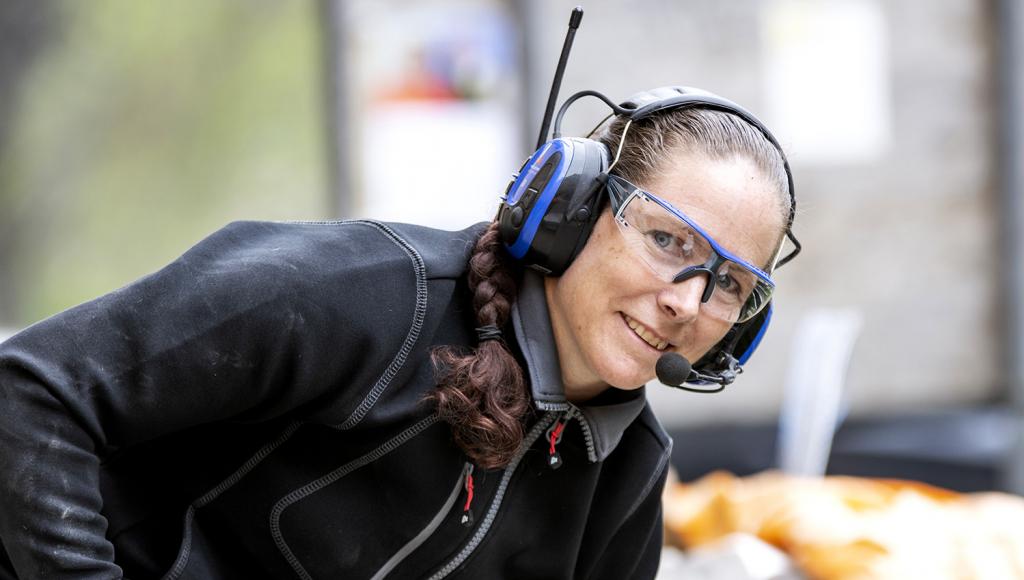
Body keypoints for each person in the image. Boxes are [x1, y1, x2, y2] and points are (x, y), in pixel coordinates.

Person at [0, 86, 797, 579]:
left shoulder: (629, 476)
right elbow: (30, 390)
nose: (687, 302)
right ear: (572, 209)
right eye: (669, 241)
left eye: (728, 283)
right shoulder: (358, 292)